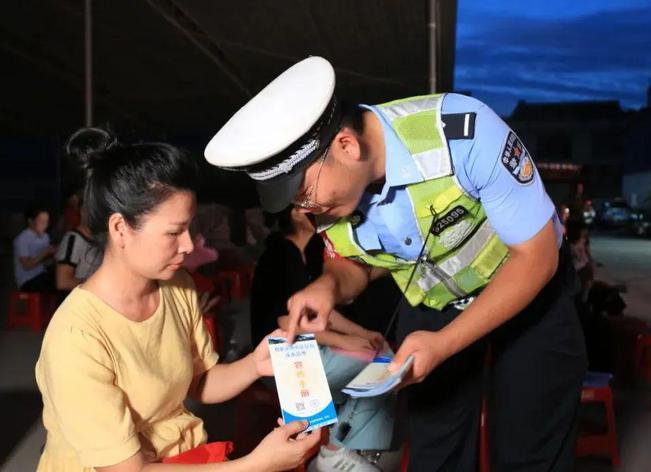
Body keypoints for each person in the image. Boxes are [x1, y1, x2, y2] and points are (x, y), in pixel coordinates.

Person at [205, 57, 587, 471]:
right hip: (432, 304)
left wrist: (445, 344)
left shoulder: (461, 136)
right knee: (434, 448)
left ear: (347, 146)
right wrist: (328, 287)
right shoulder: (331, 196)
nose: (305, 210)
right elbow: (357, 264)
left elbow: (537, 257)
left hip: (529, 293)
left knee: (531, 447)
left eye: (304, 196)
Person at [35, 128, 320, 472]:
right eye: (173, 232)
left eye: (189, 229)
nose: (187, 245)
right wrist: (255, 465)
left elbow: (199, 382)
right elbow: (129, 470)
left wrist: (254, 364)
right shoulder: (76, 337)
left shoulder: (177, 287)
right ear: (120, 229)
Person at [251, 206, 394, 471]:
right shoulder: (278, 255)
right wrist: (345, 341)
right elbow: (286, 321)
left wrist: (362, 334)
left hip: (309, 353)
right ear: (295, 214)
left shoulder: (314, 253)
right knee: (379, 363)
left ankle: (346, 449)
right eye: (310, 210)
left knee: (382, 356)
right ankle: (337, 450)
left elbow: (322, 312)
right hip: (275, 362)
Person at [55, 206, 102, 291]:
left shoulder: (102, 239)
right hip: (81, 298)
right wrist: (98, 286)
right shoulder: (73, 239)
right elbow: (63, 282)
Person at [13, 205, 56, 291]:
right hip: (28, 280)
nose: (45, 225)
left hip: (42, 275)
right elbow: (27, 265)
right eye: (41, 221)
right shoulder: (23, 239)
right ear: (30, 221)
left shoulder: (45, 236)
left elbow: (45, 262)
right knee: (58, 284)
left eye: (46, 221)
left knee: (62, 277)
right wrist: (45, 252)